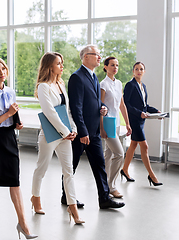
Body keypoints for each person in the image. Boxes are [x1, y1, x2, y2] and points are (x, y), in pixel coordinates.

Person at [0, 57, 37, 239]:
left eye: (3, 68)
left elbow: (12, 116)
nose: (2, 72)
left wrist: (15, 122)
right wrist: (8, 114)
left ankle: (23, 223)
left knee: (14, 180)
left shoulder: (11, 91)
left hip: (9, 138)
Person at [62, 45, 125, 209]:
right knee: (72, 165)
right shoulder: (77, 77)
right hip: (81, 133)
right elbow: (76, 107)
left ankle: (104, 198)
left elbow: (95, 101)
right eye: (96, 55)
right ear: (85, 57)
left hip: (94, 132)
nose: (99, 57)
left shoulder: (94, 77)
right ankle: (66, 196)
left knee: (100, 166)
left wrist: (102, 107)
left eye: (99, 55)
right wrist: (82, 131)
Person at [31, 52, 84, 224]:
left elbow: (67, 111)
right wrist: (64, 131)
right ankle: (35, 199)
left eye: (62, 63)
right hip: (50, 134)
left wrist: (73, 129)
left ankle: (73, 208)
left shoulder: (61, 84)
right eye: (58, 63)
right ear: (49, 66)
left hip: (66, 135)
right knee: (42, 169)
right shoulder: (43, 86)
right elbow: (50, 113)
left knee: (68, 171)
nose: (62, 66)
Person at [122, 62, 163, 186]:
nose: (139, 71)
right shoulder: (130, 85)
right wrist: (139, 113)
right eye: (136, 69)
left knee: (133, 145)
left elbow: (145, 105)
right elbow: (126, 104)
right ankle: (151, 175)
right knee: (144, 146)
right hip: (134, 120)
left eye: (141, 69)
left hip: (141, 120)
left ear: (144, 71)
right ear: (133, 71)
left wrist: (156, 112)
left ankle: (124, 170)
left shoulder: (143, 86)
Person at [100, 57, 132, 198]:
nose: (115, 67)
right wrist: (101, 127)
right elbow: (99, 107)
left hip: (117, 123)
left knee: (108, 154)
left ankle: (104, 184)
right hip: (107, 123)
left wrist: (128, 123)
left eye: (117, 65)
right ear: (106, 67)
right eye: (112, 65)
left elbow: (122, 105)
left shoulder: (119, 83)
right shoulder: (103, 84)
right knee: (119, 154)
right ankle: (112, 186)